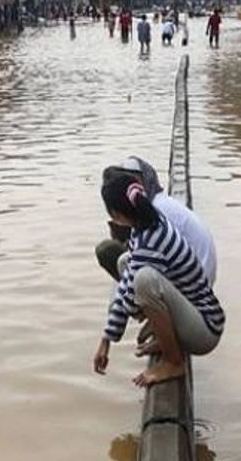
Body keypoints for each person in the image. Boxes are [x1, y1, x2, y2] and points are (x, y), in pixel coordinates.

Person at [92, 170, 225, 387]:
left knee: (144, 281)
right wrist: (106, 339)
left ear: (116, 215)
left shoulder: (149, 241)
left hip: (205, 330)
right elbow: (126, 281)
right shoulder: (148, 224)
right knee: (126, 263)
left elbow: (130, 298)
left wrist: (125, 317)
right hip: (198, 315)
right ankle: (167, 341)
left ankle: (174, 362)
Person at [95, 158, 218, 287]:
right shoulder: (159, 204)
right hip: (196, 278)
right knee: (124, 261)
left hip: (193, 287)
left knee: (108, 251)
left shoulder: (156, 212)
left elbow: (144, 259)